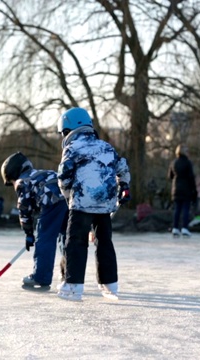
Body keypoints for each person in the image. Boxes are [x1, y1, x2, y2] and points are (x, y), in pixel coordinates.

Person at [56, 107, 131, 301]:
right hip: (105, 203)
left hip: (81, 202)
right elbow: (122, 167)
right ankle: (110, 285)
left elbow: (63, 177)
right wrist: (124, 186)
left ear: (67, 130)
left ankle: (73, 286)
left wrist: (68, 197)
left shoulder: (72, 149)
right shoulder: (106, 146)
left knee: (76, 242)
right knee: (104, 242)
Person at [1, 152, 68, 288]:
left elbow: (24, 210)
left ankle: (41, 277)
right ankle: (69, 276)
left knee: (44, 238)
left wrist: (29, 234)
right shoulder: (41, 173)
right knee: (66, 237)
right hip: (69, 200)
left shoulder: (22, 182)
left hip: (51, 202)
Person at [168, 144, 197, 237]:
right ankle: (185, 228)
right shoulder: (188, 163)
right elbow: (191, 177)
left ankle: (175, 228)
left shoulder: (173, 162)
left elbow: (170, 176)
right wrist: (194, 189)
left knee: (177, 209)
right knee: (185, 209)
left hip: (176, 188)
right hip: (186, 188)